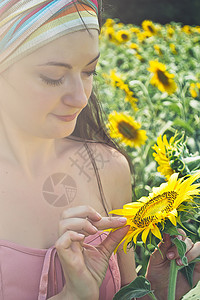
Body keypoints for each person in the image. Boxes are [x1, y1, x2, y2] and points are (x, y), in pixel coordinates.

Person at [0, 0, 199, 299]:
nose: (80, 97)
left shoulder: (108, 168)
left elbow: (123, 290)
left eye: (89, 71)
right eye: (53, 77)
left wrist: (156, 290)